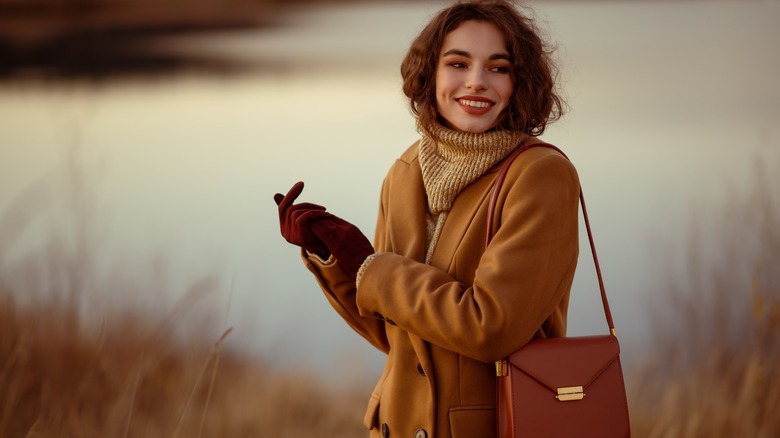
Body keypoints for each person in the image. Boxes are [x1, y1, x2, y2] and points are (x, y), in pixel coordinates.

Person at [273, 1, 579, 436]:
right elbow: (395, 335)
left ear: (520, 82)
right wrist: (332, 257)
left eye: (499, 68)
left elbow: (491, 327)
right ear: (431, 73)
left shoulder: (539, 175)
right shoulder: (406, 170)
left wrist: (369, 267)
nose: (476, 82)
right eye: (458, 63)